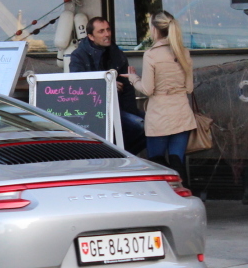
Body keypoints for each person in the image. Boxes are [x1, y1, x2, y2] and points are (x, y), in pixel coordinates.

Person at [122, 10, 195, 181]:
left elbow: (147, 89)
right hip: (182, 113)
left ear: (154, 30)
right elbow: (189, 88)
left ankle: (166, 198)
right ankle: (183, 195)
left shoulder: (151, 54)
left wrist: (133, 79)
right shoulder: (183, 52)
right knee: (178, 161)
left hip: (159, 116)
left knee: (157, 163)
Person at [68, 15, 146, 154]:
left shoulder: (117, 53)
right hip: (91, 112)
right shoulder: (78, 56)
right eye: (101, 31)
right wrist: (106, 85)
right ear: (91, 36)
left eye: (108, 30)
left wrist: (131, 112)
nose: (107, 34)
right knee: (139, 125)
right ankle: (118, 155)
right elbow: (77, 87)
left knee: (152, 125)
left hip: (118, 107)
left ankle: (121, 155)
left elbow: (127, 88)